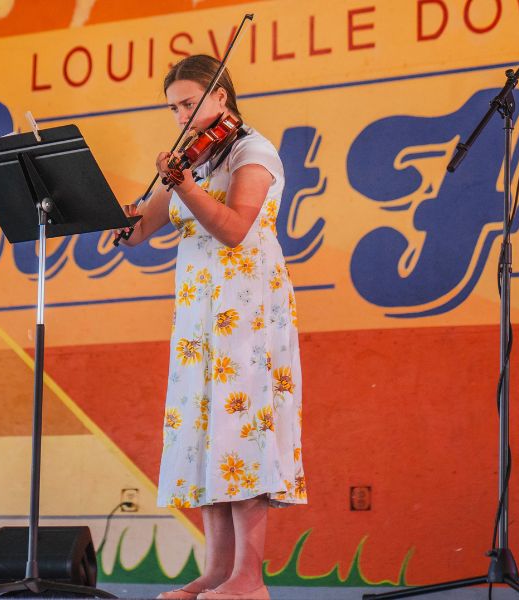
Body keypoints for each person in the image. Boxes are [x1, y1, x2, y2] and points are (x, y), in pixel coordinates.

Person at [118, 55, 307, 600]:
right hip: (200, 317)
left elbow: (235, 230)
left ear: (221, 98)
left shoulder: (252, 150)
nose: (181, 115)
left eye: (189, 103)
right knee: (204, 433)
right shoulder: (194, 160)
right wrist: (92, 208)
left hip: (247, 314)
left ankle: (249, 579)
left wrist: (183, 184)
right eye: (174, 107)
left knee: (242, 433)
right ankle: (217, 571)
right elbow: (139, 228)